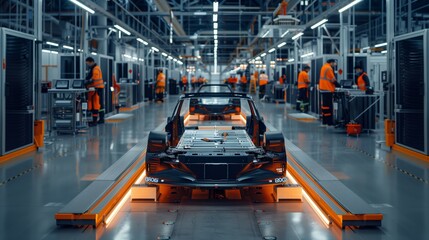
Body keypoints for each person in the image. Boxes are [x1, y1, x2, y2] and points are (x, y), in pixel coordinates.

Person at [84, 57, 105, 126]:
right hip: (97, 88)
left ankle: (95, 121)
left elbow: (94, 78)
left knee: (95, 105)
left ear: (92, 62)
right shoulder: (94, 68)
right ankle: (101, 119)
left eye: (88, 63)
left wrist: (87, 82)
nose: (87, 65)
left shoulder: (95, 69)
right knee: (99, 105)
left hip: (96, 89)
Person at [319, 59, 338, 126]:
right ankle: (329, 122)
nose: (334, 64)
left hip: (323, 88)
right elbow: (333, 79)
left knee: (325, 106)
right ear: (331, 62)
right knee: (329, 106)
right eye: (334, 63)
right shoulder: (329, 68)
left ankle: (325, 121)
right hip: (327, 88)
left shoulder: (324, 67)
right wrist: (338, 84)